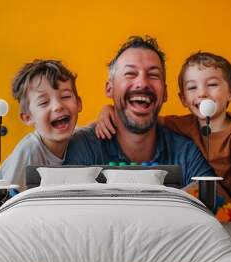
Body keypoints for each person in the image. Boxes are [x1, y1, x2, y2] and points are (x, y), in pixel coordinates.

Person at [95, 51, 231, 204]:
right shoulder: (185, 125)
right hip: (225, 202)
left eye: (213, 85)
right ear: (183, 98)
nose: (202, 93)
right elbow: (143, 116)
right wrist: (108, 109)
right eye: (192, 88)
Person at [64, 36, 213, 187]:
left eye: (153, 75)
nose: (142, 83)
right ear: (110, 89)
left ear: (165, 93)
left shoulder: (186, 152)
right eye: (130, 74)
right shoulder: (83, 147)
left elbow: (214, 205)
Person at [0, 59, 82, 188]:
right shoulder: (29, 152)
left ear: (79, 103)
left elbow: (93, 128)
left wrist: (106, 111)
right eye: (44, 102)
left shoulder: (80, 138)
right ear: (28, 117)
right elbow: (8, 199)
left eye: (65, 96)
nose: (58, 106)